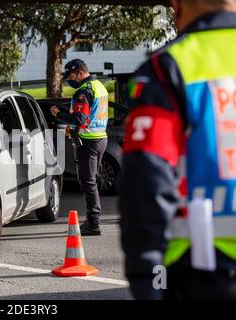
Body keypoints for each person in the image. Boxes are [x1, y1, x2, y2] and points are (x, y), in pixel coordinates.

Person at [119, 0, 236, 300]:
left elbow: (147, 181)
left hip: (204, 270)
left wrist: (145, 276)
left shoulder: (169, 66)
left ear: (177, 7)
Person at [51, 59, 109, 236]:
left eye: (71, 76)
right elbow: (87, 114)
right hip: (100, 138)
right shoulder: (99, 86)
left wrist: (58, 114)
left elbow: (80, 119)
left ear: (81, 73)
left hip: (88, 142)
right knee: (92, 180)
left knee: (88, 182)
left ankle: (93, 223)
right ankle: (93, 219)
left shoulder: (83, 92)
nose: (70, 80)